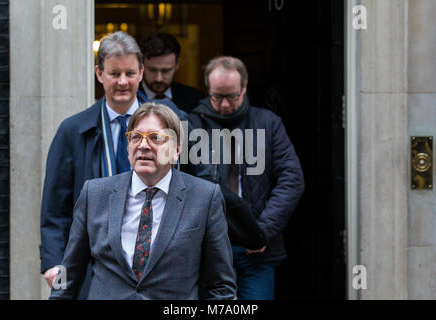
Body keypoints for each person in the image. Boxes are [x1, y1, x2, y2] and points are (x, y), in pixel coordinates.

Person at [49, 103, 236, 300]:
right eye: (136, 137)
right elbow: (67, 275)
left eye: (155, 138)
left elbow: (221, 287)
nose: (143, 145)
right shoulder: (94, 194)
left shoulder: (204, 198)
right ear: (128, 146)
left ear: (176, 150)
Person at [40, 31, 162, 298]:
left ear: (141, 72)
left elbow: (198, 191)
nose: (122, 82)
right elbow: (55, 209)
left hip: (158, 263)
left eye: (130, 73)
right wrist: (53, 264)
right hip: (96, 263)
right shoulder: (72, 131)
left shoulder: (172, 124)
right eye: (114, 73)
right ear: (99, 74)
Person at [188, 56, 305, 300]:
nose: (224, 105)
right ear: (207, 89)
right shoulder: (192, 124)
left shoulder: (268, 123)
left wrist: (261, 231)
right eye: (217, 96)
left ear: (244, 87)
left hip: (257, 252)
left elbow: (292, 179)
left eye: (232, 96)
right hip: (207, 249)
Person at [139, 32, 205, 113]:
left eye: (166, 71)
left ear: (177, 64)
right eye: (152, 70)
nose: (158, 78)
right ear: (141, 65)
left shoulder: (195, 100)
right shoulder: (128, 98)